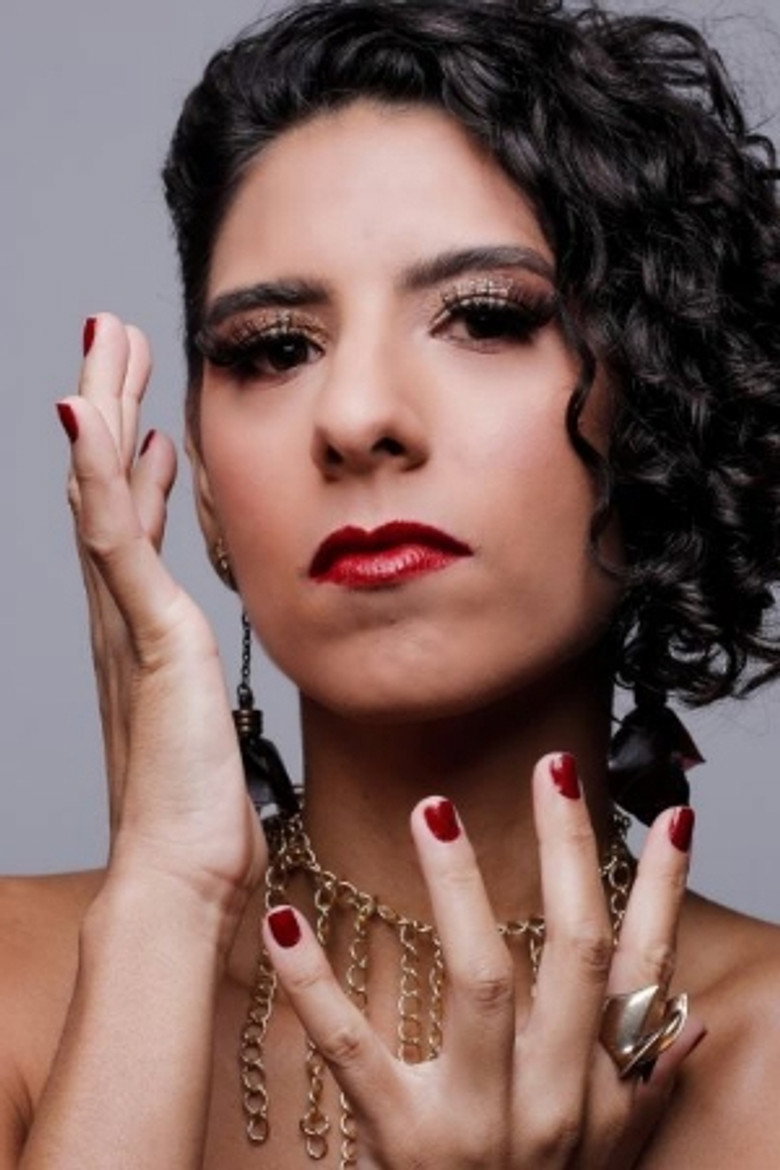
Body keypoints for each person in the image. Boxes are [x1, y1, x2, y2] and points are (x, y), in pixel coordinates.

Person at [2, 0, 780, 1165]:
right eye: (276, 348)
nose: (357, 416)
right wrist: (166, 899)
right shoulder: (20, 992)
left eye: (483, 318)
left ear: (658, 418)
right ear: (204, 484)